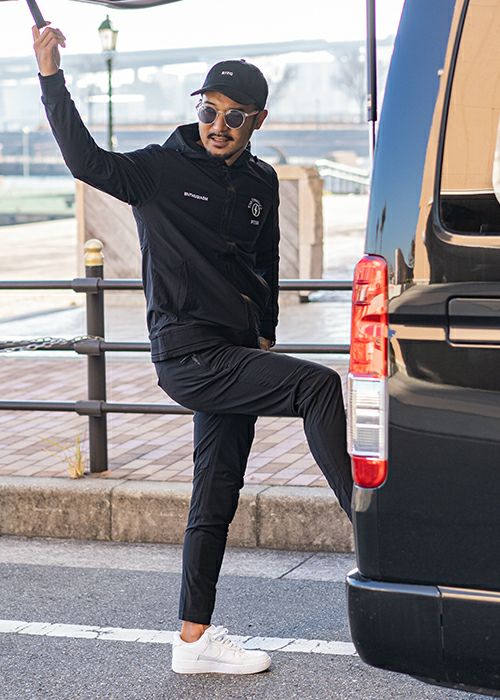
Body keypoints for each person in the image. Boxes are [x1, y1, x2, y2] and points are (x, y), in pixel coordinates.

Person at [33, 23, 353, 676]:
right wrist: (50, 77)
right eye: (209, 111)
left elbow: (266, 261)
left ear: (258, 120)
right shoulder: (158, 170)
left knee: (217, 494)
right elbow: (86, 162)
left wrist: (266, 332)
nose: (218, 126)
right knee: (317, 385)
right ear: (198, 110)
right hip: (189, 357)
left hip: (235, 356)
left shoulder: (261, 182)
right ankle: (374, 531)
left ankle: (193, 639)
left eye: (234, 116)